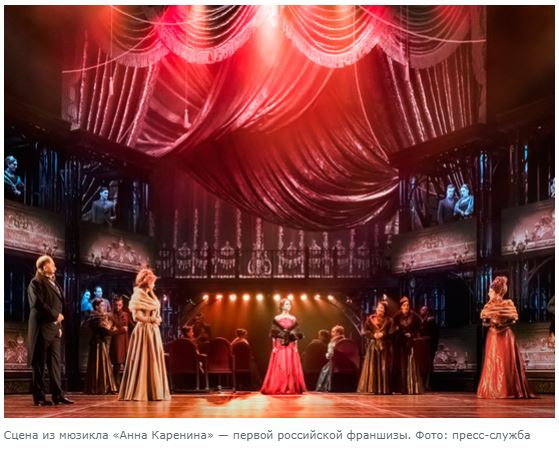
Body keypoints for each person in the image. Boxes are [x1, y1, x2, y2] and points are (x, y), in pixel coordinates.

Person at [477, 276, 534, 399]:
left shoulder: (507, 304)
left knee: (506, 362)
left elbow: (513, 320)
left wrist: (503, 323)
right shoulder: (488, 306)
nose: (488, 293)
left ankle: (508, 389)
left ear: (497, 292)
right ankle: (493, 389)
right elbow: (484, 322)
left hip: (505, 335)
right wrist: (492, 323)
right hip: (493, 335)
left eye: (490, 291)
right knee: (493, 361)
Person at [27, 255, 74, 406]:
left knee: (55, 364)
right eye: (52, 264)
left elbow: (59, 305)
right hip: (41, 328)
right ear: (43, 267)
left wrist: (59, 326)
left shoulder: (54, 283)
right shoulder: (35, 282)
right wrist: (55, 315)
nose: (55, 267)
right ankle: (39, 397)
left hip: (54, 329)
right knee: (39, 364)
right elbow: (37, 303)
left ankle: (57, 395)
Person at [119, 268, 171, 401]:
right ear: (146, 282)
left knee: (153, 359)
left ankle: (155, 390)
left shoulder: (151, 295)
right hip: (143, 331)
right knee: (143, 359)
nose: (153, 284)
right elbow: (137, 317)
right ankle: (142, 390)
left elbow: (156, 312)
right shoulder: (138, 295)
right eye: (152, 281)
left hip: (153, 331)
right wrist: (152, 319)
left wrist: (158, 319)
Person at [261, 298, 306, 394]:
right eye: (286, 304)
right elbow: (274, 334)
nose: (289, 306)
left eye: (289, 304)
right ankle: (279, 385)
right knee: (280, 364)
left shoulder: (293, 318)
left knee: (290, 363)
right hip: (279, 343)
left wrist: (296, 346)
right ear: (281, 306)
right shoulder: (277, 318)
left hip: (290, 343)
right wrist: (273, 346)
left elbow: (296, 333)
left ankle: (290, 386)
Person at [357, 301, 393, 394]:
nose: (380, 309)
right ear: (376, 308)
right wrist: (373, 335)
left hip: (384, 345)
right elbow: (365, 331)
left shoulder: (389, 320)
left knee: (384, 366)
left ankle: (384, 388)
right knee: (373, 366)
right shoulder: (370, 319)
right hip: (373, 345)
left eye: (382, 308)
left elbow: (392, 332)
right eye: (379, 307)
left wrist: (383, 334)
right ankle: (372, 388)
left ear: (385, 310)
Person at [392, 297, 424, 394]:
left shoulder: (414, 316)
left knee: (410, 364)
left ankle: (410, 387)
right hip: (399, 343)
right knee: (399, 365)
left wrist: (412, 334)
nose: (406, 307)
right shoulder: (397, 316)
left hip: (410, 343)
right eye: (404, 305)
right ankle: (399, 388)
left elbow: (420, 328)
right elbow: (392, 328)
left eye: (407, 305)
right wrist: (398, 332)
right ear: (401, 307)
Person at [85, 299, 117, 394]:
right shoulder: (95, 318)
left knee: (104, 364)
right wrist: (111, 328)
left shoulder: (103, 318)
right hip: (98, 344)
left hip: (102, 342)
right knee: (98, 364)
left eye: (104, 306)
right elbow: (103, 330)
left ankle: (104, 386)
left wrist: (110, 327)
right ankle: (98, 387)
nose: (104, 308)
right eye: (102, 306)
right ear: (96, 307)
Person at [109, 296, 131, 388]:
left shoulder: (125, 314)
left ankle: (127, 385)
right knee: (117, 364)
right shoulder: (110, 315)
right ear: (113, 305)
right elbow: (111, 330)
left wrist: (117, 328)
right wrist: (121, 328)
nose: (118, 307)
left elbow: (127, 328)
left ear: (122, 305)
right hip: (116, 343)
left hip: (125, 342)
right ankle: (116, 385)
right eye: (116, 305)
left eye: (120, 305)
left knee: (127, 364)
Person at [316, 325, 346, 392]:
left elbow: (330, 355)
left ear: (338, 333)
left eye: (333, 332)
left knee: (324, 369)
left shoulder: (333, 343)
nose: (331, 333)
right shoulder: (347, 341)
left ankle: (326, 387)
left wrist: (326, 355)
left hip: (335, 364)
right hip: (347, 364)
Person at [419, 305, 439, 390]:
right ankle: (423, 384)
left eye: (424, 310)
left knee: (429, 365)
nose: (422, 311)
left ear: (427, 312)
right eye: (421, 310)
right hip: (422, 346)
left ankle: (428, 384)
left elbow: (434, 335)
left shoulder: (430, 320)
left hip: (429, 346)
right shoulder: (421, 320)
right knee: (423, 365)